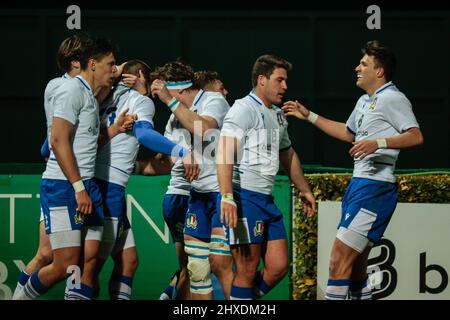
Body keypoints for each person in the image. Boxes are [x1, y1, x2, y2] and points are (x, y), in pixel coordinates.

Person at [282, 40, 424, 300]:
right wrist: (309, 116)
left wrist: (378, 143)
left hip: (375, 188)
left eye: (364, 64)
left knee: (338, 260)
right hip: (359, 185)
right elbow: (349, 134)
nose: (357, 67)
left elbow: (415, 136)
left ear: (379, 71)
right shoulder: (364, 101)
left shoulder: (393, 98)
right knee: (357, 268)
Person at [13, 37, 119, 300]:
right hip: (64, 186)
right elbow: (58, 140)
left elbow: (84, 144)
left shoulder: (89, 96)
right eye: (111, 64)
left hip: (87, 185)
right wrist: (78, 187)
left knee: (83, 264)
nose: (114, 70)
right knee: (64, 265)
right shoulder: (70, 90)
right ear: (92, 64)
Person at [93, 59, 198, 300]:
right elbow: (143, 133)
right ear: (142, 75)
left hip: (97, 178)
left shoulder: (102, 95)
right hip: (108, 186)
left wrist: (118, 74)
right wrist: (182, 151)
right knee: (90, 265)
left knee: (128, 261)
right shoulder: (140, 101)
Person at [217, 54, 316, 300]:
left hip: (266, 200)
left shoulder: (278, 115)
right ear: (262, 79)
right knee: (247, 269)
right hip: (244, 198)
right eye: (279, 80)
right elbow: (224, 152)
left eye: (286, 81)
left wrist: (304, 189)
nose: (285, 87)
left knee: (279, 266)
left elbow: (288, 154)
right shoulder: (243, 108)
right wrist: (227, 196)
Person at [150, 61, 232, 300]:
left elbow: (206, 129)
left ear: (178, 90)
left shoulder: (213, 100)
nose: (162, 99)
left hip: (222, 193)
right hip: (197, 195)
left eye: (165, 93)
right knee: (197, 270)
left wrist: (170, 101)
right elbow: (166, 159)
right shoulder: (174, 118)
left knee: (220, 265)